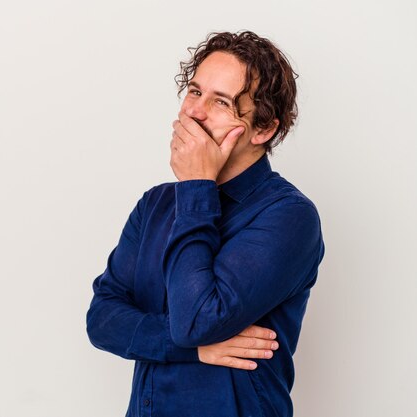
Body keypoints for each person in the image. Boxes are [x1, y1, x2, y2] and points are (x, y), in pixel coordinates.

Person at [85, 30, 325, 417]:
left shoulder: (290, 217)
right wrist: (192, 349)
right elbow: (102, 319)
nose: (194, 112)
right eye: (195, 92)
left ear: (263, 130)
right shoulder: (157, 204)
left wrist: (197, 185)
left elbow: (197, 320)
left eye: (221, 102)